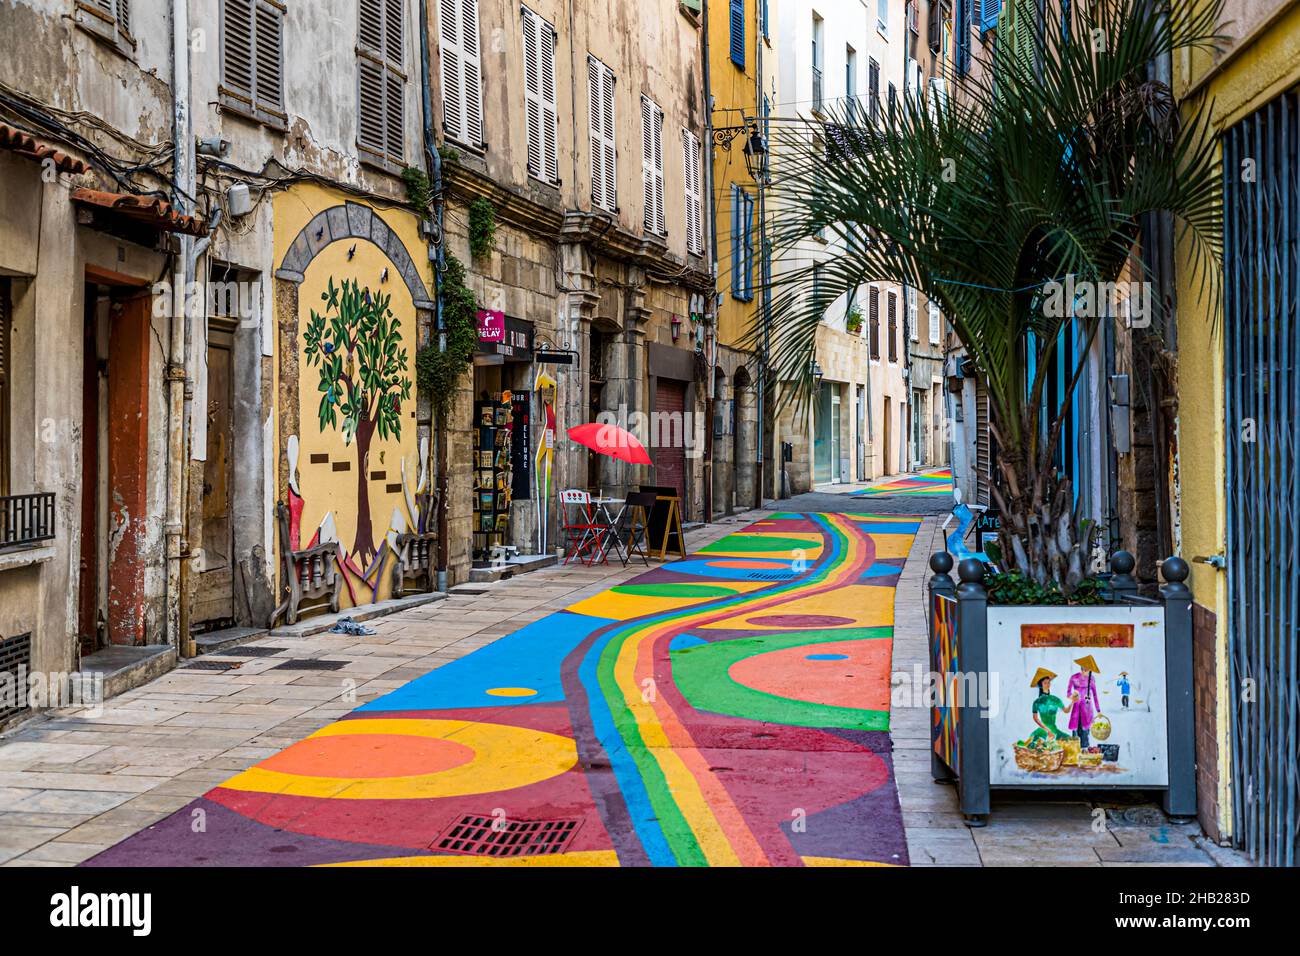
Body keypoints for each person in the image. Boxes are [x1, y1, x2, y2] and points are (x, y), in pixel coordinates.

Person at [1066, 655, 1102, 749]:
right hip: (1076, 709)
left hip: (1087, 709)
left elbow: (1095, 695)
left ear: (1090, 670)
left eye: (1086, 670)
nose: (1084, 671)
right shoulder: (1073, 677)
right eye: (1082, 669)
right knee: (1075, 734)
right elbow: (1068, 693)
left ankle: (1085, 752)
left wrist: (1098, 710)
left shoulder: (1092, 679)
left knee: (1085, 734)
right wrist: (1073, 697)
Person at [1028, 668, 1070, 743]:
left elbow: (1066, 710)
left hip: (1054, 729)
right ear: (1041, 685)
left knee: (1069, 740)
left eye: (1049, 682)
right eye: (1045, 683)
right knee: (1036, 744)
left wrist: (1073, 701)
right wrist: (1047, 730)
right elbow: (1035, 718)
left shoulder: (1055, 699)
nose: (1048, 684)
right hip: (1043, 730)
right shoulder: (1037, 702)